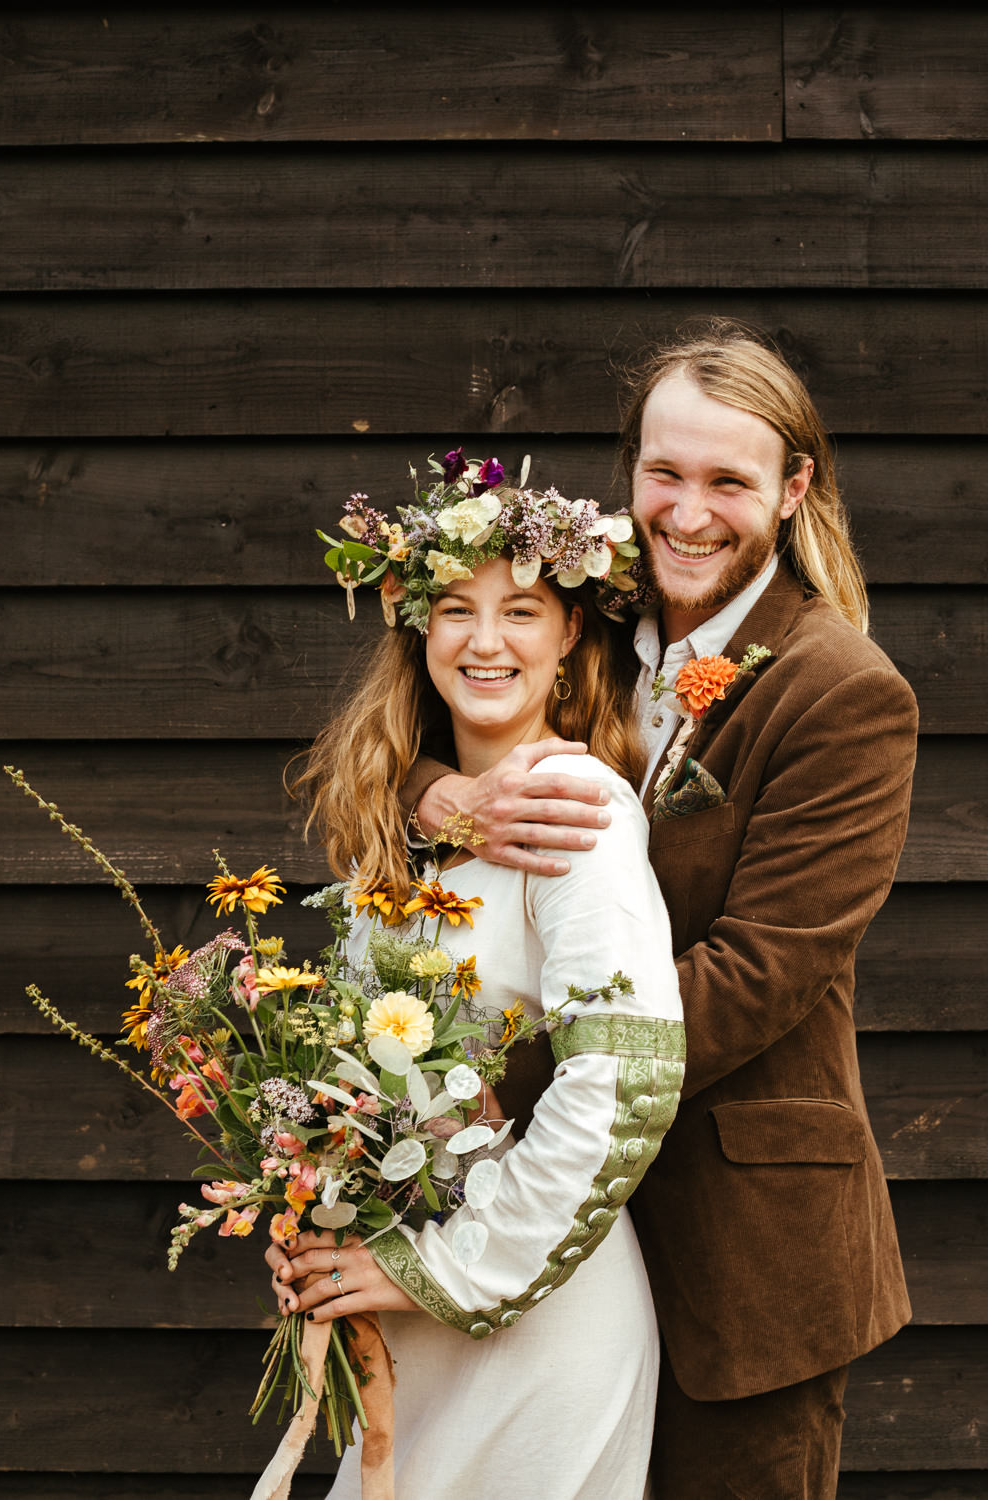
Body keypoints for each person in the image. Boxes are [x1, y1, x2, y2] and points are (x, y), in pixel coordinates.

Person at [403, 325, 919, 1499]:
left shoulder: (843, 693)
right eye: (663, 474)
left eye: (729, 482)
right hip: (553, 1235)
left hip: (738, 1248)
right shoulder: (576, 609)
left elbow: (757, 975)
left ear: (793, 492)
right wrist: (437, 794)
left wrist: (497, 1090)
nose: (687, 514)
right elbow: (398, 726)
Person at [265, 461, 685, 1500]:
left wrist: (444, 1272)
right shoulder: (410, 826)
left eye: (521, 611)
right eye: (455, 609)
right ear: (417, 628)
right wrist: (316, 1226)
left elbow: (623, 1079)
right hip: (412, 1314)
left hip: (533, 1318)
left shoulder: (573, 807)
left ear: (569, 638)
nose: (485, 641)